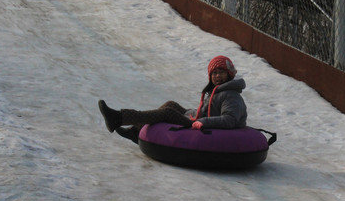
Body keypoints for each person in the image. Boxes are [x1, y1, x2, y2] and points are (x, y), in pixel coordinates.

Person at [99, 55, 247, 143]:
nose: (217, 76)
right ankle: (135, 131)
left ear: (229, 74)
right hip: (201, 120)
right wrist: (193, 113)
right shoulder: (217, 91)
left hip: (206, 126)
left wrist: (202, 121)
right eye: (214, 73)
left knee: (168, 112)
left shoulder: (231, 95)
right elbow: (209, 110)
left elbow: (229, 120)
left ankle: (119, 118)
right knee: (171, 104)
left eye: (221, 72)